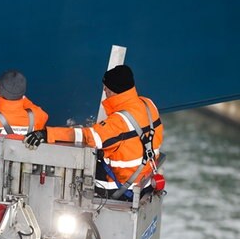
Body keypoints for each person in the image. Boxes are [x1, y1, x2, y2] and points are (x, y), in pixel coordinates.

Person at [24, 65, 164, 200]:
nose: (104, 90)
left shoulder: (118, 122)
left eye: (106, 89)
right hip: (146, 181)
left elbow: (87, 137)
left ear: (113, 91)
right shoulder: (148, 104)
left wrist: (47, 134)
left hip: (122, 188)